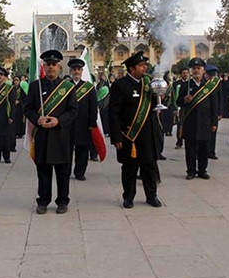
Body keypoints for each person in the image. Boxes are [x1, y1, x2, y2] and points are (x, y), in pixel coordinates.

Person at [24, 50, 78, 214]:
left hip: (61, 135)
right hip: (43, 136)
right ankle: (43, 201)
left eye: (54, 64)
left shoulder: (68, 88)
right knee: (43, 171)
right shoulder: (35, 86)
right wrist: (37, 119)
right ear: (44, 66)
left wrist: (58, 121)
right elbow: (28, 109)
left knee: (62, 171)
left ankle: (62, 201)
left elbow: (73, 111)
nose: (51, 67)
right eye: (48, 64)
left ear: (59, 67)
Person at [109, 52, 162, 208]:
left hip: (148, 134)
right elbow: (113, 112)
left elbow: (154, 105)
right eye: (141, 65)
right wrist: (116, 136)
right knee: (129, 168)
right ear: (132, 68)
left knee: (149, 166)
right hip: (129, 135)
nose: (144, 67)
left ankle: (152, 196)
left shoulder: (148, 83)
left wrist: (160, 96)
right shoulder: (120, 85)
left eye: (144, 65)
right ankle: (128, 197)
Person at [177, 58, 220, 180]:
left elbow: (214, 105)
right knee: (190, 148)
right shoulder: (185, 85)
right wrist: (184, 100)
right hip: (190, 121)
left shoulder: (209, 86)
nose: (196, 70)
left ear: (203, 70)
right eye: (194, 68)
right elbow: (178, 101)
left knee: (204, 148)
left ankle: (202, 170)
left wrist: (214, 122)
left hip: (205, 121)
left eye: (198, 68)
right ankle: (191, 171)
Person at [68, 58, 97, 181]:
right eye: (74, 69)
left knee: (83, 150)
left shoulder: (88, 87)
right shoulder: (64, 86)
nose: (76, 71)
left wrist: (92, 123)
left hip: (83, 124)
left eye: (79, 69)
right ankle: (65, 172)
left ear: (81, 71)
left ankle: (80, 172)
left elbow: (93, 106)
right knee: (67, 150)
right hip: (68, 124)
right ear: (71, 71)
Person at [205, 65, 222, 160]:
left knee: (213, 131)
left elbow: (220, 98)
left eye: (212, 75)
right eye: (209, 75)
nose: (211, 77)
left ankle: (211, 152)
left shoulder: (217, 83)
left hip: (214, 112)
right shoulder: (203, 83)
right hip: (205, 112)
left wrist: (220, 112)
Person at [173, 68, 189, 149]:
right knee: (180, 124)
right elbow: (174, 96)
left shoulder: (190, 83)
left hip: (189, 107)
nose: (185, 74)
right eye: (184, 73)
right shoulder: (176, 84)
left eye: (187, 73)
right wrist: (175, 107)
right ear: (181, 74)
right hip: (180, 106)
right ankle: (179, 142)